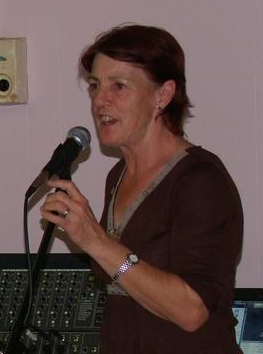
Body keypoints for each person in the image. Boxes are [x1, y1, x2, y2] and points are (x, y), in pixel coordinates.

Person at [40, 24, 243, 353]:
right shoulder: (118, 175)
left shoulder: (200, 181)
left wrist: (96, 241)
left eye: (119, 86)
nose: (100, 101)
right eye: (95, 85)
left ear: (162, 95)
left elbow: (192, 311)